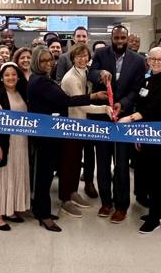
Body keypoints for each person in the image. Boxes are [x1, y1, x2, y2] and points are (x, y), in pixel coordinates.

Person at [28, 46, 107, 232]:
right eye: (43, 61)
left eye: (50, 60)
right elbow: (66, 100)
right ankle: (44, 215)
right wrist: (93, 96)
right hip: (45, 135)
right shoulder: (41, 82)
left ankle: (42, 210)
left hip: (49, 133)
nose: (48, 63)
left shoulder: (42, 78)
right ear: (36, 63)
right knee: (44, 177)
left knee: (45, 176)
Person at [117, 47, 161, 234]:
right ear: (148, 61)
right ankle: (160, 212)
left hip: (160, 138)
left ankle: (154, 218)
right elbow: (140, 101)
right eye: (153, 58)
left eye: (160, 59)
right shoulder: (147, 80)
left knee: (155, 176)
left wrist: (131, 119)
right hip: (145, 135)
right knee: (152, 175)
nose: (156, 62)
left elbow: (154, 108)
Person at [88, 25, 147, 224]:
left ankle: (122, 205)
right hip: (102, 116)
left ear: (127, 38)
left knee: (121, 165)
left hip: (124, 117)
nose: (120, 41)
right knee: (102, 163)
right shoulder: (100, 53)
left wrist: (123, 105)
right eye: (117, 37)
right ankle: (106, 202)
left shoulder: (138, 61)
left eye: (123, 37)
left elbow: (137, 88)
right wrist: (99, 74)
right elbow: (91, 73)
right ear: (111, 37)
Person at [59, 43, 111, 218]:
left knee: (75, 162)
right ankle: (65, 199)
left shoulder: (85, 72)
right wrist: (104, 108)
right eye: (78, 56)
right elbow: (82, 105)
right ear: (72, 58)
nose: (82, 59)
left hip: (82, 126)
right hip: (72, 126)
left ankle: (73, 192)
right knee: (68, 163)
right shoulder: (70, 78)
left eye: (85, 56)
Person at [0, 63, 32, 230]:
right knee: (3, 177)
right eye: (7, 75)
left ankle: (10, 208)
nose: (10, 78)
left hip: (22, 143)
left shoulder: (23, 93)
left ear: (18, 77)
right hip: (5, 144)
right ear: (1, 78)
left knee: (15, 175)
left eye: (14, 75)